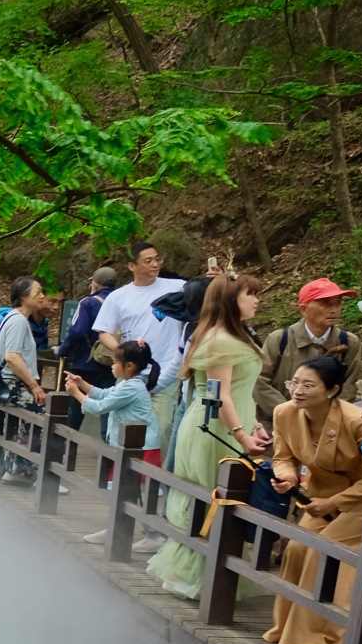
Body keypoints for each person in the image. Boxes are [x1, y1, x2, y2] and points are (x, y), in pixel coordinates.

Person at [147, 274, 265, 598]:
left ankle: (209, 576)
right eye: (250, 294)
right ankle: (195, 577)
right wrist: (241, 435)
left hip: (229, 422)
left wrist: (253, 425)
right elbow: (219, 395)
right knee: (213, 496)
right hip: (214, 426)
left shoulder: (232, 336)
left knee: (221, 497)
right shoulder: (221, 341)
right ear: (231, 300)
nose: (256, 301)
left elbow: (239, 391)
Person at [261, 355, 362, 644]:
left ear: (332, 390)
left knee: (325, 549)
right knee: (297, 548)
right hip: (317, 496)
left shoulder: (356, 422)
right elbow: (283, 456)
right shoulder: (285, 412)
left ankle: (327, 633)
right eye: (295, 383)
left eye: (308, 385)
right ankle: (286, 627)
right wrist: (287, 478)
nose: (297, 391)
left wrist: (333, 503)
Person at [94, 240, 192, 452]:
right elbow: (104, 331)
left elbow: (204, 296)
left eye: (157, 259)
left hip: (167, 370)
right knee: (122, 427)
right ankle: (120, 470)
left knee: (161, 429)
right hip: (130, 373)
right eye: (148, 261)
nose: (155, 264)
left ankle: (152, 471)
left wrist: (215, 278)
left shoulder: (177, 287)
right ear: (132, 266)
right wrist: (122, 351)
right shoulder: (118, 297)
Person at [0, 276, 53, 483]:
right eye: (38, 292)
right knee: (43, 414)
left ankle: (16, 468)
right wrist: (34, 386)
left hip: (5, 383)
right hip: (10, 384)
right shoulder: (18, 321)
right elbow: (12, 357)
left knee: (28, 420)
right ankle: (27, 470)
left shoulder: (14, 317)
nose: (42, 296)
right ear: (24, 297)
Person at [253, 278, 362, 422]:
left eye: (337, 303)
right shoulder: (279, 339)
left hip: (328, 424)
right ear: (303, 309)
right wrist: (290, 413)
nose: (334, 309)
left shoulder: (349, 342)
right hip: (280, 423)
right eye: (325, 303)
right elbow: (259, 381)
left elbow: (349, 386)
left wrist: (328, 416)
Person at [64, 339, 163, 463]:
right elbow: (103, 394)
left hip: (142, 449)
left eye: (116, 362)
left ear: (129, 366)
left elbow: (99, 407)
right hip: (133, 446)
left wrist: (76, 393)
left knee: (127, 476)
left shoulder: (132, 387)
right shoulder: (127, 383)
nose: (112, 365)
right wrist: (81, 383)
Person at [60, 266, 120, 435]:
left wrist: (63, 350)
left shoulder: (88, 303)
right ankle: (108, 443)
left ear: (95, 283)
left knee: (75, 407)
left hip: (85, 363)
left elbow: (77, 331)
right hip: (111, 362)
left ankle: (66, 441)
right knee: (108, 404)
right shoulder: (120, 302)